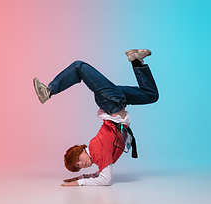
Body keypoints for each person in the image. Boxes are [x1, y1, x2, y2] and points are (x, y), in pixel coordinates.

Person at [33, 49, 159, 186]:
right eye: (78, 166)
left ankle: (48, 91)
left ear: (81, 150)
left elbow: (106, 180)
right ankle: (136, 60)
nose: (82, 164)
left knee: (79, 67)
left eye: (78, 160)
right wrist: (82, 177)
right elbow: (101, 174)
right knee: (151, 94)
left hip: (111, 102)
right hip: (117, 101)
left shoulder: (96, 150)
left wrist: (79, 183)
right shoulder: (97, 156)